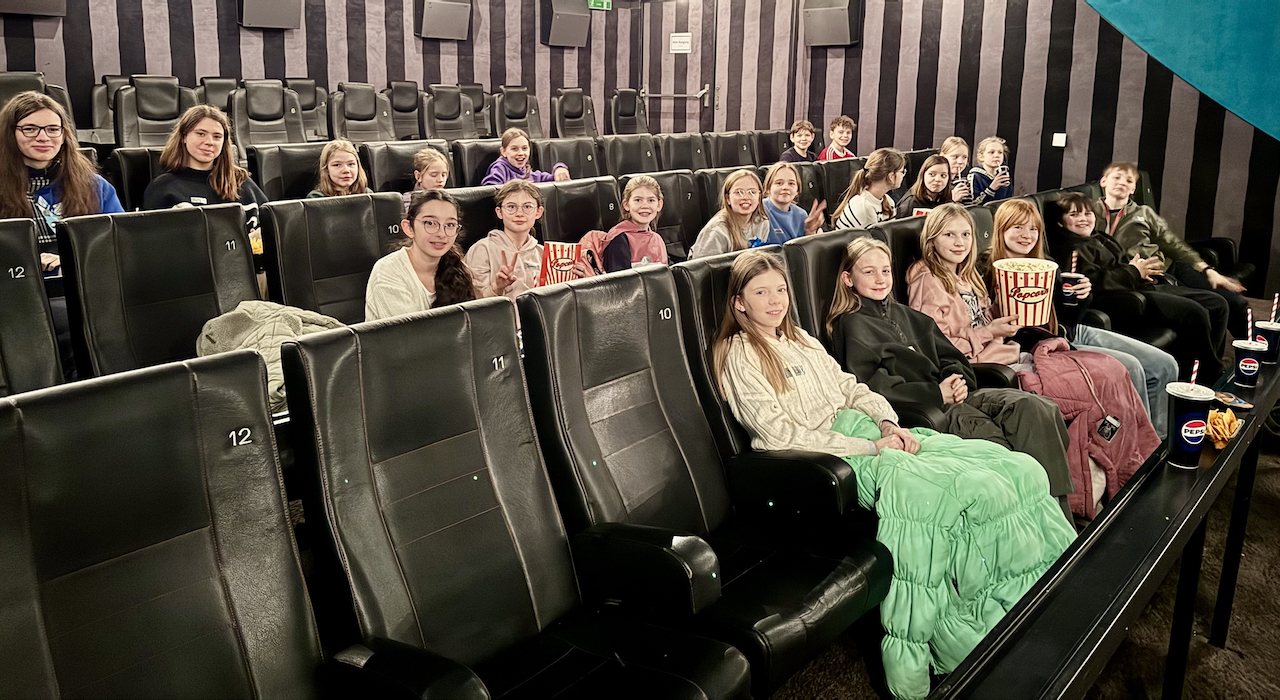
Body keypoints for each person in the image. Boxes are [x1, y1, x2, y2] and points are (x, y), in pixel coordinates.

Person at [714, 249, 1074, 700]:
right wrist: (870, 446)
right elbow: (776, 435)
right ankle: (973, 635)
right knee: (967, 491)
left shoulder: (800, 339)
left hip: (870, 433)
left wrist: (887, 422)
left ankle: (1047, 595)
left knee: (1016, 467)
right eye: (760, 293)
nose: (775, 301)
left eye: (780, 290)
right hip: (833, 461)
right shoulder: (740, 353)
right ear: (739, 303)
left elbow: (851, 388)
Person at [908, 204, 1158, 519]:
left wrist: (1006, 314)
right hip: (991, 369)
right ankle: (1090, 487)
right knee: (1091, 387)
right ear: (932, 239)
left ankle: (1125, 467)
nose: (959, 242)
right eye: (949, 235)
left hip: (1012, 352)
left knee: (1112, 370)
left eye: (966, 234)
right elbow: (937, 346)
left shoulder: (966, 275)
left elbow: (988, 321)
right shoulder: (927, 279)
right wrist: (989, 331)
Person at [828, 235, 1075, 477]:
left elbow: (951, 356)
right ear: (848, 279)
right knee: (1002, 444)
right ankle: (1039, 498)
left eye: (885, 271)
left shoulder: (909, 316)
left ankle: (1056, 500)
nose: (880, 279)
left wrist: (956, 380)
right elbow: (869, 386)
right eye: (869, 272)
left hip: (960, 396)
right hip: (929, 410)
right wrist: (937, 393)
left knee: (1038, 407)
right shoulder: (851, 325)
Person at [986, 198, 1177, 440]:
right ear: (1001, 229)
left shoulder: (1048, 265)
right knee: (1131, 367)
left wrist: (1082, 296)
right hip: (1045, 343)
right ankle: (1139, 446)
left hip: (1071, 330)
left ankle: (1158, 441)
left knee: (1165, 365)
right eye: (1018, 227)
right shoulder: (986, 268)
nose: (1027, 235)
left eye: (1033, 228)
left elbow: (1069, 317)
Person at [0, 91, 124, 379]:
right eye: (30, 129)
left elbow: (118, 244)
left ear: (64, 134)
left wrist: (70, 258)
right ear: (10, 134)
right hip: (19, 292)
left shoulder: (95, 186)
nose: (43, 137)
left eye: (52, 129)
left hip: (85, 287)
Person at [1049, 191, 1229, 385]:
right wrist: (1134, 271)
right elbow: (1095, 282)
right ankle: (1205, 379)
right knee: (1194, 312)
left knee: (1218, 304)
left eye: (1088, 213)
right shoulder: (1069, 249)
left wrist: (1138, 267)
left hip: (1141, 284)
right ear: (1060, 222)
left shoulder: (1098, 236)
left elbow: (1121, 263)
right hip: (1127, 298)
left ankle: (1213, 369)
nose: (1083, 219)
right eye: (1074, 214)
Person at [1096, 161, 1249, 337]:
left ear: (1133, 189)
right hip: (1149, 277)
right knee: (1213, 305)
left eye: (1129, 181)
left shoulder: (1144, 212)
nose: (1122, 182)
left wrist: (1207, 270)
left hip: (1172, 267)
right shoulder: (1088, 214)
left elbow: (1172, 244)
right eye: (1117, 177)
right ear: (1103, 181)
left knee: (1235, 303)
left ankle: (1254, 347)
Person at [142, 105, 269, 253]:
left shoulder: (241, 181)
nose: (209, 142)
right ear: (184, 137)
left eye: (217, 136)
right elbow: (152, 246)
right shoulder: (163, 187)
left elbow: (270, 225)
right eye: (201, 134)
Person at [465, 179, 588, 299]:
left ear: (538, 212)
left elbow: (559, 302)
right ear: (499, 212)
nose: (519, 213)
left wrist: (577, 285)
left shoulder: (547, 255)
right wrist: (497, 287)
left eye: (527, 207)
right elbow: (473, 301)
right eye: (511, 207)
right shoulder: (482, 250)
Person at [365, 189, 476, 321]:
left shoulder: (459, 268)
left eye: (450, 225)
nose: (441, 233)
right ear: (409, 228)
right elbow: (410, 332)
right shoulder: (387, 272)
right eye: (430, 223)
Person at [578, 174, 669, 273]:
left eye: (651, 200)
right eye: (638, 200)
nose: (645, 205)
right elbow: (620, 280)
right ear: (626, 205)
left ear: (659, 205)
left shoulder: (657, 239)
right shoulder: (619, 239)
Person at [688, 169, 770, 258]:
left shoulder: (763, 223)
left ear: (759, 198)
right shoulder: (716, 231)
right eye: (738, 192)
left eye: (752, 192)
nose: (746, 197)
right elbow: (702, 265)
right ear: (728, 199)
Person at [830, 148, 905, 229]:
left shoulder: (888, 201)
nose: (903, 175)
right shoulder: (864, 206)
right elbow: (876, 237)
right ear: (891, 176)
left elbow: (892, 233)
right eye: (902, 172)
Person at [761, 161, 825, 244]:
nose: (785, 187)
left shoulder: (801, 214)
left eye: (791, 183)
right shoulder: (759, 210)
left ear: (797, 190)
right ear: (768, 188)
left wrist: (810, 232)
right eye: (779, 183)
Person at [480, 127, 569, 185]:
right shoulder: (500, 168)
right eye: (514, 149)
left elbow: (549, 178)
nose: (521, 153)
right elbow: (490, 187)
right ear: (503, 152)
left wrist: (559, 168)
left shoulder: (526, 171)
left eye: (524, 148)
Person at [894, 153, 953, 218]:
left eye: (943, 175)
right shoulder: (910, 203)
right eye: (932, 174)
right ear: (923, 175)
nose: (938, 179)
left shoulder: (944, 198)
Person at [307, 139, 372, 198]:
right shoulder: (316, 197)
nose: (346, 170)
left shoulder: (367, 194)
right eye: (337, 165)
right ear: (326, 169)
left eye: (351, 164)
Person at [402, 147, 450, 214]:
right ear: (418, 176)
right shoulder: (409, 200)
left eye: (443, 175)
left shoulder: (451, 198)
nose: (440, 180)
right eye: (434, 175)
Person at [967, 136, 1012, 205]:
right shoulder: (975, 176)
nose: (996, 155)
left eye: (1000, 152)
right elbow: (974, 204)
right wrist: (992, 188)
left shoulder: (1005, 176)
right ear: (981, 157)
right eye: (991, 152)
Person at [939, 136, 972, 203]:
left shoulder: (966, 182)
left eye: (964, 157)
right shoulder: (937, 182)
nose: (960, 161)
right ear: (942, 156)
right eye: (955, 157)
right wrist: (952, 200)